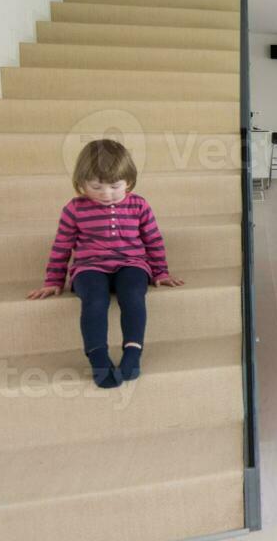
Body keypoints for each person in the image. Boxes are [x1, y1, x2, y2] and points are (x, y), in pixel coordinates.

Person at [27, 139, 185, 389]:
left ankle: (132, 353)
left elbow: (153, 240)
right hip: (90, 267)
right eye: (96, 186)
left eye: (115, 186)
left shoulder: (139, 205)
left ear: (129, 183)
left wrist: (160, 272)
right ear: (81, 184)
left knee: (133, 294)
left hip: (131, 263)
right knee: (95, 300)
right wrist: (53, 281)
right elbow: (62, 246)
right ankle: (98, 356)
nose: (106, 193)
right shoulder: (74, 210)